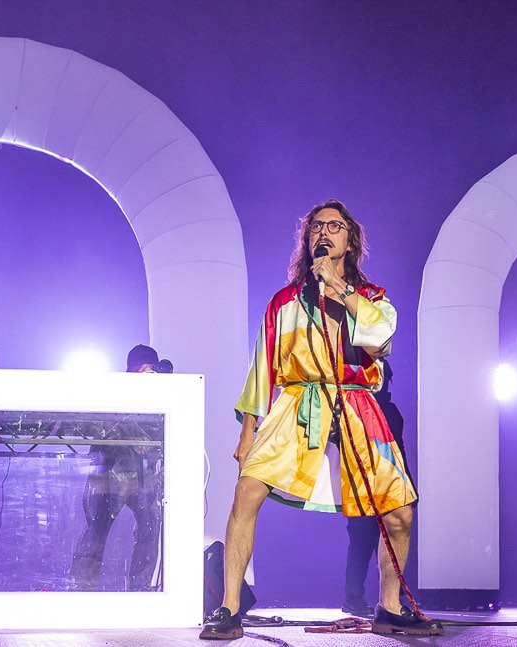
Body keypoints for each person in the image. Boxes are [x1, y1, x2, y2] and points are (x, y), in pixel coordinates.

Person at [199, 199, 442, 639]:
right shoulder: (284, 302)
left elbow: (380, 340)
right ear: (306, 240)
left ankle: (389, 608)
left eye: (334, 226)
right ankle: (229, 608)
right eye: (315, 227)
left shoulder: (374, 299)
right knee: (247, 491)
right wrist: (247, 431)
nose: (323, 233)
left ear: (350, 241)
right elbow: (261, 368)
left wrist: (340, 288)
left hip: (357, 404)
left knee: (400, 513)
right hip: (297, 401)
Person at [69, 344, 171, 592]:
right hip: (110, 474)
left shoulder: (162, 394)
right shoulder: (114, 390)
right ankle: (81, 591)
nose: (148, 372)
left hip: (144, 476)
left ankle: (139, 590)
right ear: (133, 368)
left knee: (149, 532)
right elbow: (88, 425)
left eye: (152, 368)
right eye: (144, 368)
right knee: (96, 532)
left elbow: (165, 432)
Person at [341, 360, 417, 618]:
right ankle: (354, 599)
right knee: (361, 543)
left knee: (391, 541)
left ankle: (393, 600)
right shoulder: (354, 406)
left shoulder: (391, 411)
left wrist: (408, 485)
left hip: (387, 485)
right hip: (362, 484)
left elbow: (399, 453)